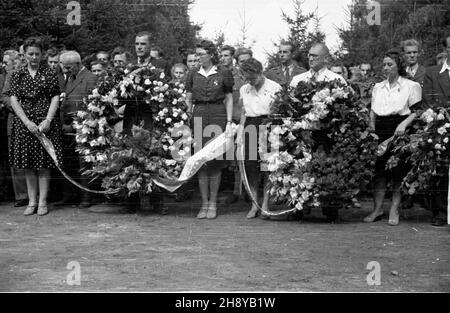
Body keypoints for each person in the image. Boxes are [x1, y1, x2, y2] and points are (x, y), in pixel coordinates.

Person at [363, 49, 421, 226]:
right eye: (384, 65)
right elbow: (373, 110)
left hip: (400, 130)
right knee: (379, 174)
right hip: (380, 130)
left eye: (390, 64)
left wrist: (403, 125)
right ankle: (377, 209)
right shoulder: (378, 87)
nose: (385, 68)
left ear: (399, 66)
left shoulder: (411, 86)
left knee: (398, 173)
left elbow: (417, 111)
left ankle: (394, 210)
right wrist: (371, 126)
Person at [9, 37, 63, 216]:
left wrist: (48, 120)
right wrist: (26, 122)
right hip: (25, 124)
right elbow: (13, 99)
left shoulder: (49, 72)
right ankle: (31, 202)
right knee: (28, 165)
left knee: (43, 165)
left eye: (37, 54)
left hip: (44, 123)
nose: (34, 57)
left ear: (42, 55)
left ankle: (42, 202)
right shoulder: (18, 73)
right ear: (24, 54)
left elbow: (55, 96)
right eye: (30, 54)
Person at [185, 40, 234, 219]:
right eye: (196, 54)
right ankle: (204, 203)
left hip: (218, 115)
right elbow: (188, 99)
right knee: (200, 162)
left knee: (214, 162)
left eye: (201, 54)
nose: (197, 57)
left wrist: (228, 121)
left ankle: (213, 204)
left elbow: (229, 98)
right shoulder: (192, 73)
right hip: (198, 115)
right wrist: (188, 119)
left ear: (211, 55)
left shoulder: (224, 72)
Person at [236, 58, 282, 218]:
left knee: (266, 167)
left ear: (260, 72)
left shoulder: (275, 87)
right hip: (250, 125)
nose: (250, 82)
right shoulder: (244, 89)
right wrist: (240, 134)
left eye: (252, 78)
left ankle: (265, 203)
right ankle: (255, 203)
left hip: (268, 124)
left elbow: (279, 112)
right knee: (250, 167)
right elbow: (243, 112)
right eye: (246, 78)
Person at [57, 50, 98, 209]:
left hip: (82, 129)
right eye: (64, 67)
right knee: (67, 162)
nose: (65, 71)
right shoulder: (69, 78)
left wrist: (74, 125)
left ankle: (86, 197)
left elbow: (92, 108)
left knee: (83, 164)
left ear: (78, 64)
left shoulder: (91, 79)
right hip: (66, 129)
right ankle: (69, 196)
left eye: (68, 67)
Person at [422, 35, 450, 226]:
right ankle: (440, 212)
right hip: (442, 127)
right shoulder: (433, 72)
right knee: (441, 168)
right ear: (446, 49)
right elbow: (428, 103)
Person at [2, 50, 29, 207]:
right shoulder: (10, 76)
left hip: (33, 120)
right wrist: (18, 108)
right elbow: (4, 96)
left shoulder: (30, 73)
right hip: (15, 121)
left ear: (15, 61)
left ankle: (37, 193)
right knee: (16, 160)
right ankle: (22, 195)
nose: (4, 65)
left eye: (6, 62)